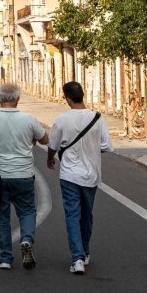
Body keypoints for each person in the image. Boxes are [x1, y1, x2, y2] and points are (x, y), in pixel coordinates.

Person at [0, 83, 49, 270]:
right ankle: (27, 239)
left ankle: (6, 257)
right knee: (28, 211)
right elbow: (45, 139)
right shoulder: (28, 119)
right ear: (18, 99)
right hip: (23, 174)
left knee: (0, 216)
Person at [47, 82, 113, 275]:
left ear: (67, 98)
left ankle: (77, 258)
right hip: (91, 175)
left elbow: (53, 144)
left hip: (69, 175)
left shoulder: (62, 120)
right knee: (87, 215)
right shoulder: (98, 118)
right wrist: (90, 147)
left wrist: (50, 158)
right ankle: (84, 253)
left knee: (72, 215)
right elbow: (106, 146)